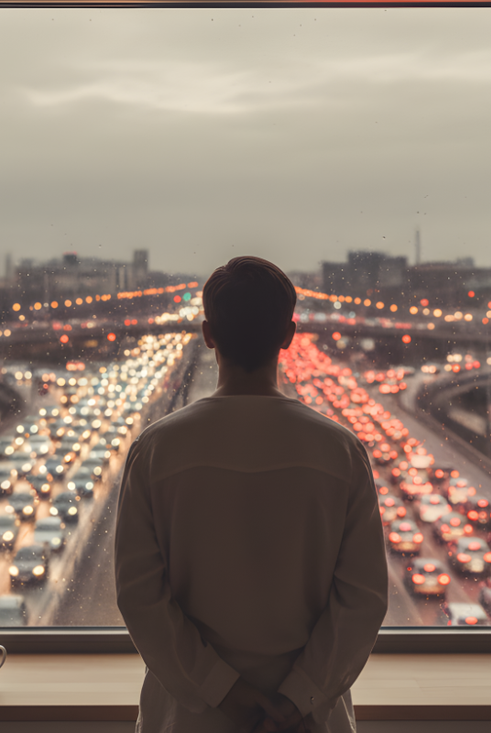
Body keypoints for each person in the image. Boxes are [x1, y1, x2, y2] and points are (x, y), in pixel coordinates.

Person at [114, 256, 388, 733]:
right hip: (308, 720)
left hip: (189, 719)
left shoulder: (156, 451)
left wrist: (222, 692)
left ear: (208, 334)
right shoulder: (340, 452)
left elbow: (140, 599)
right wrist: (296, 697)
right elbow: (363, 602)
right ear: (288, 334)